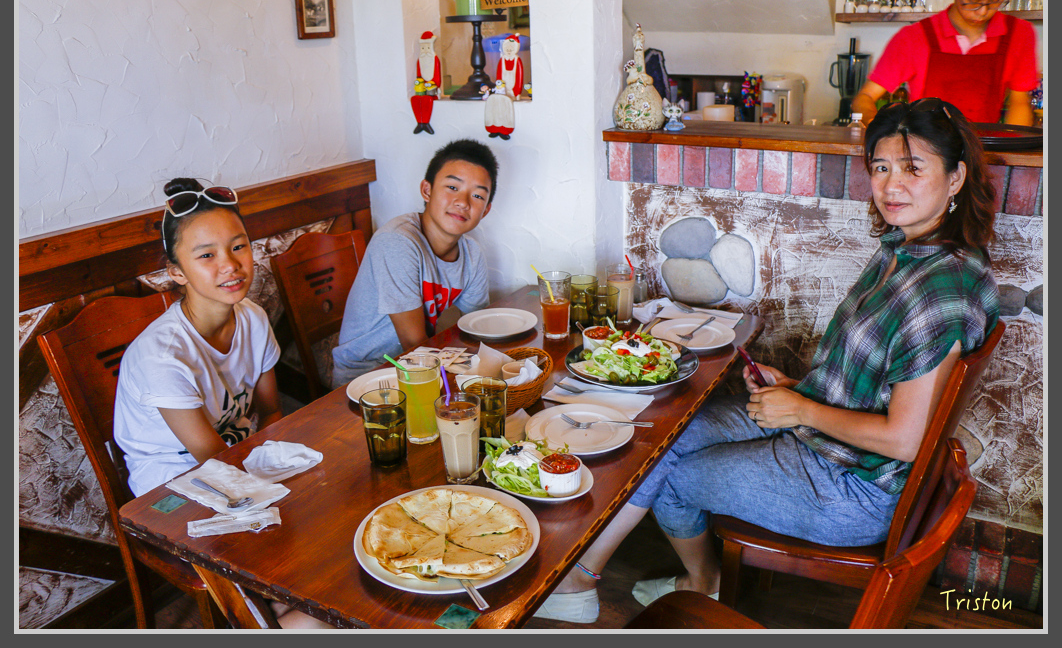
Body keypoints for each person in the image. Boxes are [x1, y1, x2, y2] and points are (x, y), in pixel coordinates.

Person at [533, 98, 1001, 624]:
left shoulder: (939, 290)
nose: (892, 186)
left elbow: (906, 439)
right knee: (667, 432)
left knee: (675, 474)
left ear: (956, 177)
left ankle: (664, 582)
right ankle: (607, 577)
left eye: (914, 169)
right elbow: (878, 379)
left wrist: (800, 411)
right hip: (822, 429)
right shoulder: (905, 249)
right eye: (881, 167)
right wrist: (798, 387)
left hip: (852, 483)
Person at [112, 178, 331, 629]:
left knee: (331, 532)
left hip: (240, 461)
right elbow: (210, 461)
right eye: (206, 255)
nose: (230, 266)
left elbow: (270, 414)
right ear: (176, 272)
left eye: (239, 247)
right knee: (306, 604)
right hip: (172, 488)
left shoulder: (250, 317)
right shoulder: (163, 355)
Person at [332, 139, 498, 386]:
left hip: (418, 366)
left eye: (477, 195)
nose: (463, 202)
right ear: (427, 190)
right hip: (367, 376)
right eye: (452, 187)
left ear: (485, 210)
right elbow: (413, 344)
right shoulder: (397, 242)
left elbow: (477, 330)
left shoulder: (471, 254)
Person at [851, 0, 1038, 126]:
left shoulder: (1019, 34)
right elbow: (865, 98)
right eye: (972, 2)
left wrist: (1011, 154)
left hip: (984, 151)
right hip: (924, 154)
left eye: (996, 0)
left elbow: (1019, 102)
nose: (982, 12)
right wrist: (876, 128)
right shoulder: (914, 37)